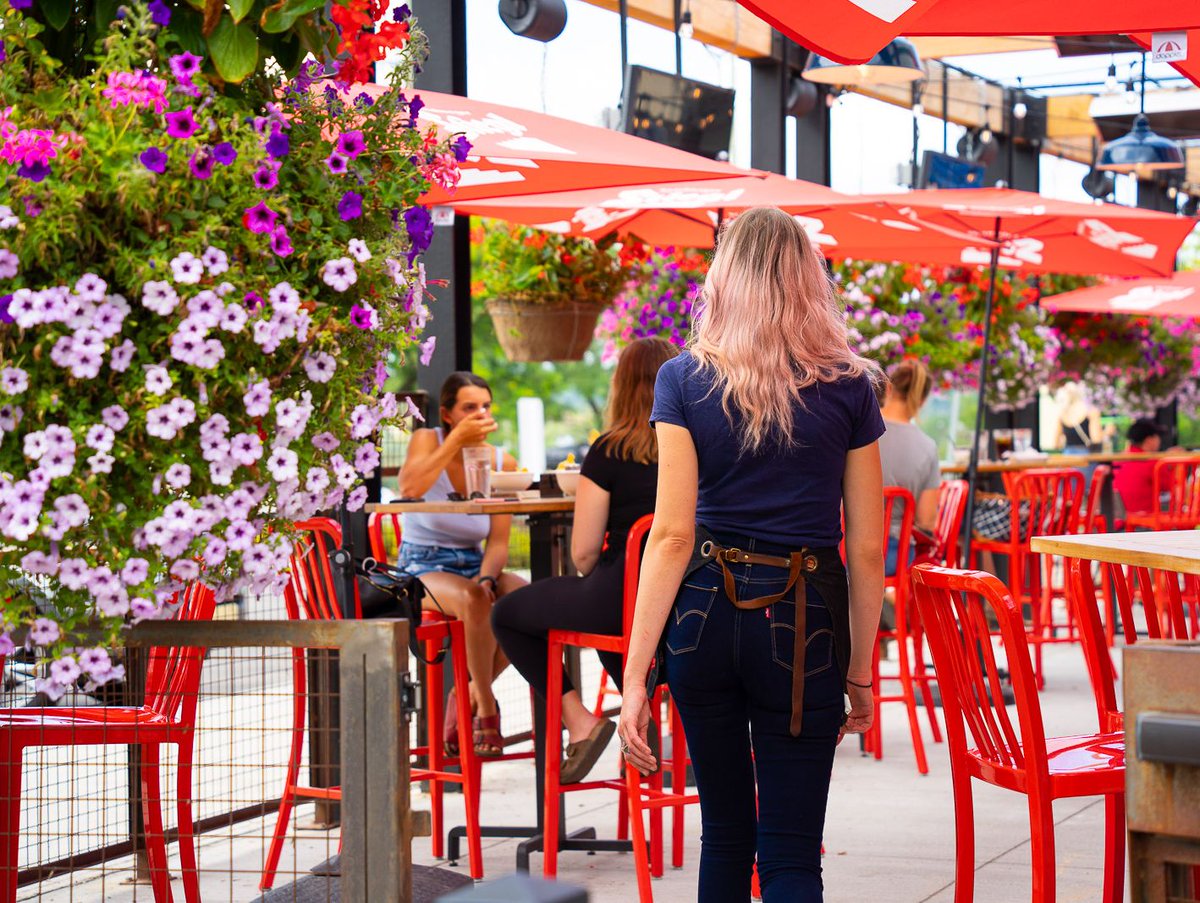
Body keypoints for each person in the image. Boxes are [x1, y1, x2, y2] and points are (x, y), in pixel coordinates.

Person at [617, 207, 885, 902]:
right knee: (792, 853)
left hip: (703, 617)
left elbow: (672, 535)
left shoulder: (682, 378)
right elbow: (864, 544)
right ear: (810, 283)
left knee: (727, 835)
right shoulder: (852, 387)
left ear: (724, 280)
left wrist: (636, 675)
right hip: (806, 629)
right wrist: (861, 672)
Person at [491, 337, 678, 784]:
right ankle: (644, 720)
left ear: (621, 386)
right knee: (607, 629)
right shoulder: (698, 447)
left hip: (621, 601)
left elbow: (584, 553)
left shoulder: (610, 450)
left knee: (509, 614)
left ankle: (581, 721)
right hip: (687, 602)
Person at [397, 372, 526, 756]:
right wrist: (455, 441)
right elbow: (410, 488)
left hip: (476, 562)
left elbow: (499, 541)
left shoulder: (503, 460)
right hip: (423, 564)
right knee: (474, 599)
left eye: (485, 407)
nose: (480, 414)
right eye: (469, 408)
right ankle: (486, 710)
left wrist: (489, 576)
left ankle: (467, 690)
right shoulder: (427, 440)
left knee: (527, 602)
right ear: (448, 414)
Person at [877, 359, 940, 576]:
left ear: (888, 387)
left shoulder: (860, 432)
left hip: (845, 549)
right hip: (896, 554)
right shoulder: (928, 447)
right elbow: (926, 520)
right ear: (921, 401)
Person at [1113, 419, 1166, 517]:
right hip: (1144, 523)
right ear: (1149, 440)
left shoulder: (1117, 460)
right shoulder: (1153, 463)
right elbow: (1172, 485)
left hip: (1116, 523)